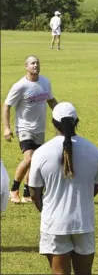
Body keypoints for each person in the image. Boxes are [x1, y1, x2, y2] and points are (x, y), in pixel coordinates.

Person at [29, 102, 98, 275]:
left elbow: (34, 192)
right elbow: (96, 188)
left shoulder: (41, 152)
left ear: (54, 124)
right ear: (76, 121)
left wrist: (46, 209)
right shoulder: (93, 151)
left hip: (55, 224)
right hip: (84, 222)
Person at [3, 56, 57, 204]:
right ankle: (14, 189)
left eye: (37, 62)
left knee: (35, 162)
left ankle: (27, 193)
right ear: (26, 67)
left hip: (39, 129)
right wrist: (6, 128)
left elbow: (51, 100)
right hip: (24, 128)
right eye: (32, 63)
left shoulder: (45, 82)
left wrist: (61, 114)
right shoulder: (20, 86)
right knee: (29, 158)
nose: (36, 65)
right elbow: (7, 105)